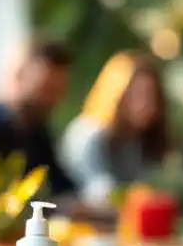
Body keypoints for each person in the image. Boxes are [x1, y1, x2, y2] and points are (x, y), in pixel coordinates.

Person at [0, 39, 75, 196]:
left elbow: (59, 182)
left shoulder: (35, 128)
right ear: (18, 74)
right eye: (46, 89)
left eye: (58, 91)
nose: (52, 100)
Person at [60, 52, 171, 204]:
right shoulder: (89, 135)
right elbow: (99, 195)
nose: (147, 104)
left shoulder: (136, 140)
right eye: (138, 95)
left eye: (153, 96)